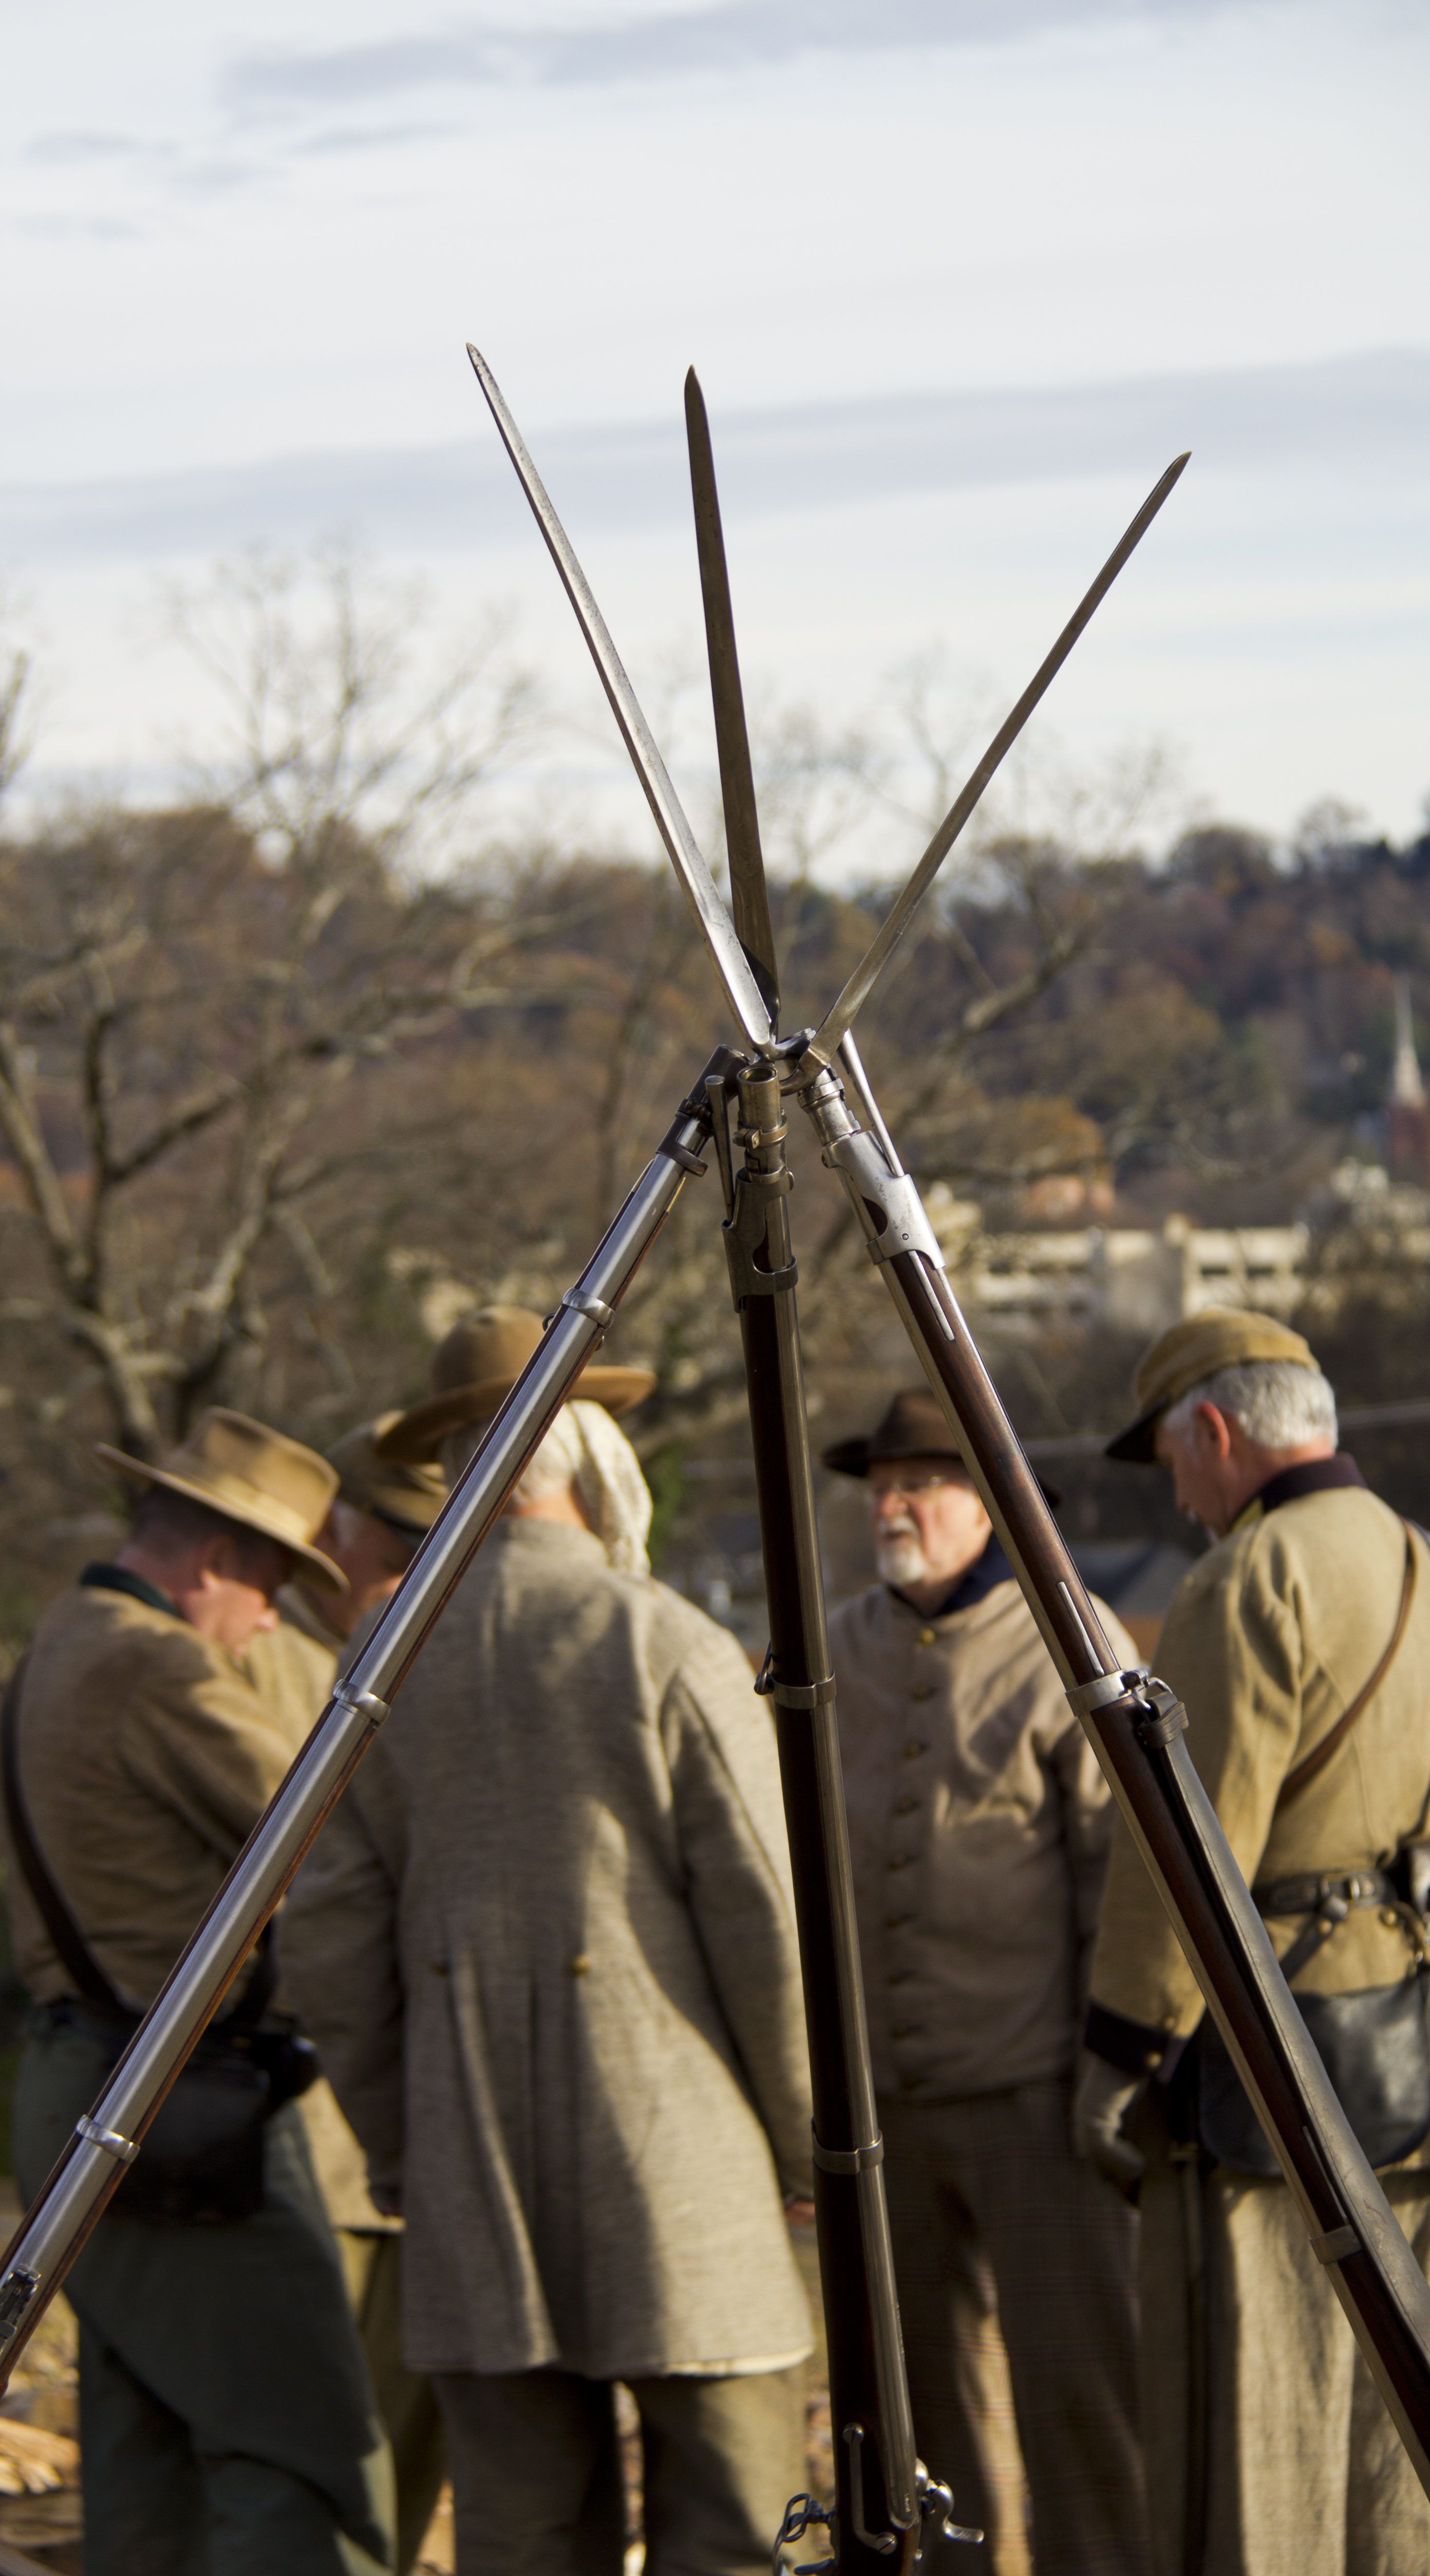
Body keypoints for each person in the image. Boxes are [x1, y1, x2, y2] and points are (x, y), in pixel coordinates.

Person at [279, 1309, 815, 2576]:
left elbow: (334, 1939)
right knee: (736, 2529)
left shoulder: (381, 1668)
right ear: (587, 1459)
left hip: (473, 2162)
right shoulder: (667, 1642)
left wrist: (404, 2146)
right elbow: (766, 1920)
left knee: (521, 2539)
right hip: (686, 2167)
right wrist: (807, 2140)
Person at [2, 1406, 393, 2576]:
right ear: (217, 1559)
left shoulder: (60, 1639)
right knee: (305, 2456)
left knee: (147, 2458)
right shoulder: (155, 1663)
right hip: (181, 2103)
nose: (272, 1617)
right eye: (270, 1582)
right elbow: (327, 1817)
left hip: (89, 2079)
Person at [1075, 1309, 1430, 2576]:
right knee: (1398, 2450)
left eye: (1173, 1460)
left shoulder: (1247, 1576)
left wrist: (1118, 2057)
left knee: (1259, 2443)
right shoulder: (1413, 1556)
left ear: (1217, 1432)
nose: (1177, 1496)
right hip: (1410, 2048)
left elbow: (1190, 1851)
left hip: (1272, 2071)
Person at [824, 1387, 1148, 2576]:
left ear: (988, 1507)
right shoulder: (834, 1645)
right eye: (881, 1486)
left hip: (1037, 2097)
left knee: (1079, 2395)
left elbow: (1118, 1874)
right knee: (917, 2418)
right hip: (884, 2107)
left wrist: (1104, 2068)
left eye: (921, 1485)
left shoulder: (1073, 1639)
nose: (893, 1506)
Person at [246, 1419, 449, 2576]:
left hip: (403, 2138)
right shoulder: (297, 1658)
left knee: (381, 2470)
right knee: (339, 2466)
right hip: (338, 2146)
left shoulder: (418, 1659)